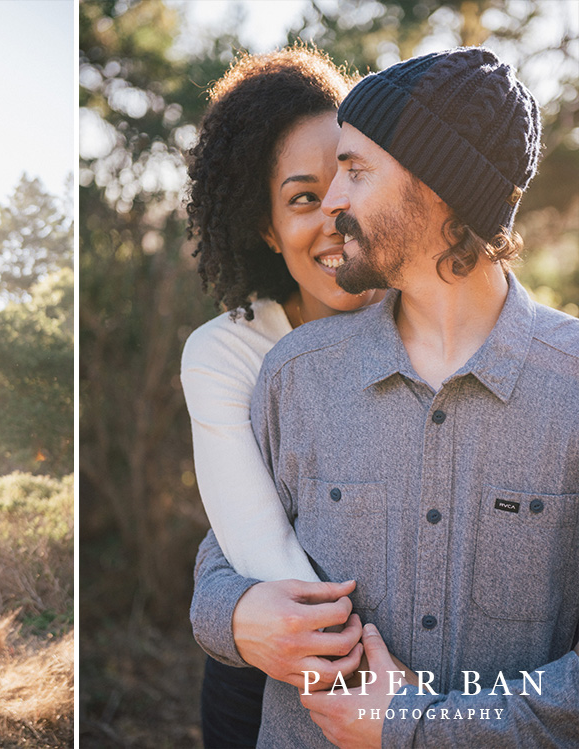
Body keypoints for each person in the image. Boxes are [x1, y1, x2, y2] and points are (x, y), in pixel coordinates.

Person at [192, 46, 579, 747]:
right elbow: (223, 559)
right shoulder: (294, 374)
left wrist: (417, 724)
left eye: (356, 170)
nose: (335, 203)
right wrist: (232, 611)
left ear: (438, 188)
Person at [181, 45, 380, 747]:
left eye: (350, 178)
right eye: (302, 197)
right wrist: (379, 691)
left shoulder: (435, 322)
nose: (335, 214)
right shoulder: (226, 353)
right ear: (266, 225)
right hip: (272, 673)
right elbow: (259, 551)